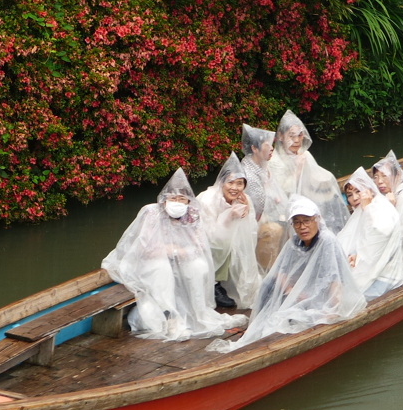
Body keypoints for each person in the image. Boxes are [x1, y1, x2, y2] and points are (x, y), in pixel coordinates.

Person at [101, 168, 247, 341]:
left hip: (180, 259)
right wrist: (173, 251)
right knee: (162, 269)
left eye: (182, 199)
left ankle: (197, 312)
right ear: (164, 200)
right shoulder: (151, 213)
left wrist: (182, 252)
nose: (177, 202)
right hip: (151, 262)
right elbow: (145, 248)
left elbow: (200, 245)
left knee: (199, 266)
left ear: (188, 201)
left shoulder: (192, 215)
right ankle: (170, 317)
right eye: (173, 198)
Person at [210, 196, 366, 352]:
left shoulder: (327, 241)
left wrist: (333, 308)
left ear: (317, 220)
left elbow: (334, 277)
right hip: (301, 291)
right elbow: (281, 270)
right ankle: (257, 328)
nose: (302, 226)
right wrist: (291, 290)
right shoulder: (295, 242)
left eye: (307, 220)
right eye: (297, 222)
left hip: (322, 293)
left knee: (294, 314)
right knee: (268, 285)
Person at [266, 109, 350, 233]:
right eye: (291, 135)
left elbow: (316, 177)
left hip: (308, 200)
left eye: (300, 135)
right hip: (284, 210)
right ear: (280, 137)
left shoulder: (305, 154)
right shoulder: (274, 160)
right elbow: (280, 194)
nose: (297, 140)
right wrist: (297, 171)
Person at [195, 153, 261, 309]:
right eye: (230, 183)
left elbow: (251, 232)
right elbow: (207, 234)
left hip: (228, 245)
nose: (235, 188)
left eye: (240, 184)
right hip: (205, 246)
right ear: (222, 182)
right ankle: (214, 284)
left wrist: (247, 212)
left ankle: (233, 280)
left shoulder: (244, 199)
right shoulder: (207, 199)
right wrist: (228, 217)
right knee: (223, 242)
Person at [337, 167, 403, 299]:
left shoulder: (380, 206)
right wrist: (354, 256)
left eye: (358, 191)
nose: (355, 198)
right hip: (370, 267)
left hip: (385, 276)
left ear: (369, 190)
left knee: (347, 298)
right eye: (350, 195)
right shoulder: (361, 211)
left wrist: (368, 208)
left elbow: (379, 235)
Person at [240, 123, 288, 273]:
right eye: (268, 145)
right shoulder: (248, 173)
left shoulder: (262, 165)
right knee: (276, 229)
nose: (272, 148)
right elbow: (258, 208)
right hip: (250, 222)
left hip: (265, 214)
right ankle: (270, 271)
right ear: (255, 149)